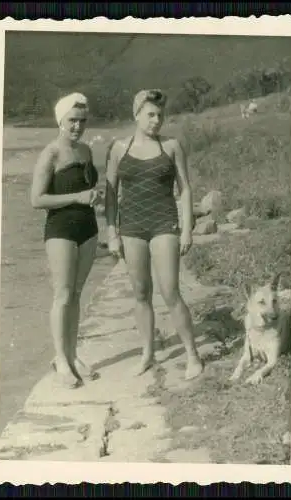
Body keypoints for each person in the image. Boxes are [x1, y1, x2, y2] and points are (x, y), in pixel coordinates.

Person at [105, 89, 204, 381]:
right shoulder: (118, 148)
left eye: (160, 115)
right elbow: (111, 195)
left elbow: (185, 189)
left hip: (163, 224)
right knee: (140, 293)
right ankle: (147, 353)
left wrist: (187, 228)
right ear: (136, 115)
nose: (156, 120)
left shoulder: (171, 146)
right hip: (132, 227)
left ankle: (192, 355)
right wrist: (112, 232)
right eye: (150, 114)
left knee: (170, 290)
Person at [30, 92, 100, 389]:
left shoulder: (86, 151)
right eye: (72, 120)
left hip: (88, 228)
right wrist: (78, 197)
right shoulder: (51, 153)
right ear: (61, 120)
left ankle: (72, 355)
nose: (77, 126)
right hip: (60, 229)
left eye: (82, 121)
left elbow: (89, 186)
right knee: (62, 294)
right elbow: (36, 199)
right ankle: (60, 359)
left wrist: (96, 195)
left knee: (77, 294)